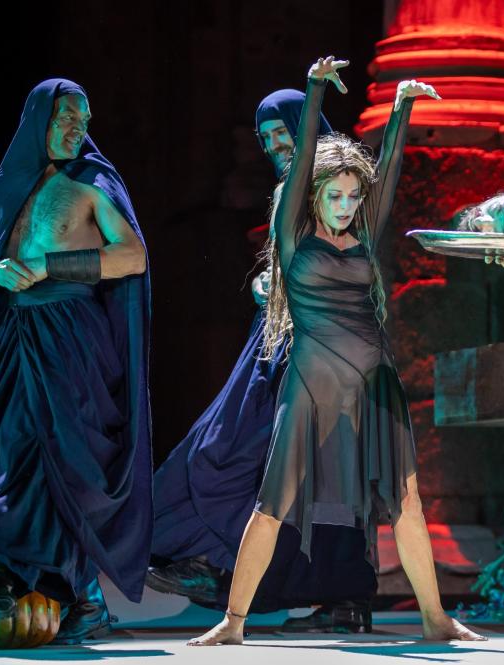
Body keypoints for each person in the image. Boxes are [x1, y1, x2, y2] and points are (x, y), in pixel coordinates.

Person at [188, 56, 483, 646]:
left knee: (407, 500)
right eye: (336, 196)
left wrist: (401, 107)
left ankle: (435, 619)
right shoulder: (293, 235)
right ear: (315, 195)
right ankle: (233, 621)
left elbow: (388, 172)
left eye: (353, 196)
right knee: (274, 503)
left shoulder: (362, 233)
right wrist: (314, 91)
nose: (347, 206)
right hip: (312, 381)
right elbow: (301, 163)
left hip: (375, 379)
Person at [149, 88, 376, 633]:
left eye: (284, 134)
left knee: (303, 465)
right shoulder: (298, 190)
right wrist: (268, 283)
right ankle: (233, 568)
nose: (275, 147)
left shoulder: (341, 189)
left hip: (318, 342)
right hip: (283, 335)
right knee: (248, 451)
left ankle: (325, 594)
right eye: (267, 139)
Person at [0, 79, 151, 645]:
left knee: (68, 459)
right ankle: (54, 589)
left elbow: (132, 256)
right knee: (16, 459)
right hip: (15, 333)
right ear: (40, 118)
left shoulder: (92, 182)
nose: (76, 129)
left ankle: (81, 595)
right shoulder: (9, 185)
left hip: (70, 337)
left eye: (83, 121)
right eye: (66, 118)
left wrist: (49, 268)